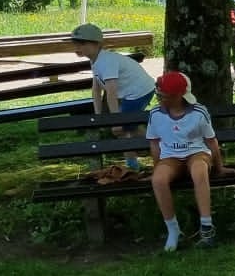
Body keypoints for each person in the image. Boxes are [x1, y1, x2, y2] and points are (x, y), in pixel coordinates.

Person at [146, 71, 224, 251]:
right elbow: (154, 143)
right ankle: (174, 231)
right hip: (170, 157)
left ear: (178, 96)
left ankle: (207, 228)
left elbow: (211, 141)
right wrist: (156, 169)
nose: (160, 99)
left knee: (199, 170)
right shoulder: (155, 113)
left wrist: (220, 168)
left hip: (197, 153)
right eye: (159, 94)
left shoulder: (199, 112)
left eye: (164, 96)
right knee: (158, 180)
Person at [72, 21, 155, 170]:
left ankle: (143, 160)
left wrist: (116, 120)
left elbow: (111, 93)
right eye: (76, 43)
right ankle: (152, 153)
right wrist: (98, 116)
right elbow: (96, 89)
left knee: (120, 129)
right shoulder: (95, 60)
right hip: (130, 93)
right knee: (127, 128)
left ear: (97, 44)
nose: (77, 47)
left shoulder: (106, 61)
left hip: (139, 92)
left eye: (82, 43)